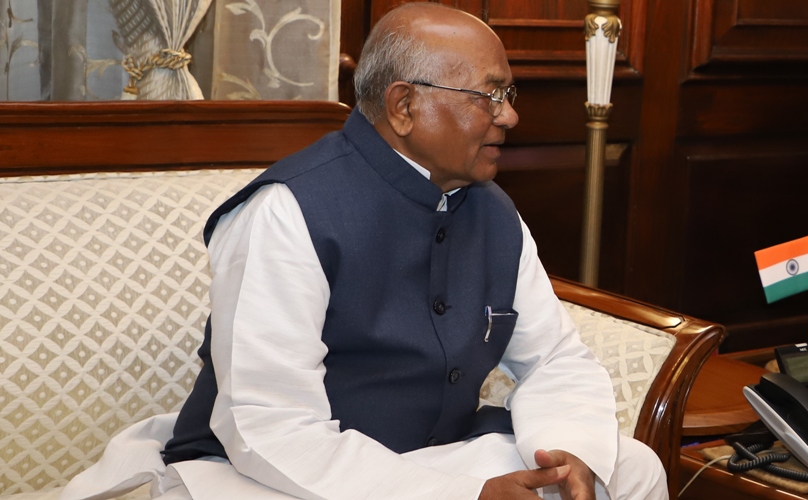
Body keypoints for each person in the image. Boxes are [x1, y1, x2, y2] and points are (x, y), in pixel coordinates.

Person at [59, 4, 667, 499]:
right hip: (279, 471)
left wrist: (567, 454)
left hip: (435, 454)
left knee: (630, 469)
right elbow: (268, 426)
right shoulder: (287, 210)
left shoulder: (492, 209)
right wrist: (460, 495)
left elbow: (554, 359)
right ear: (405, 106)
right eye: (489, 95)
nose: (510, 115)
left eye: (507, 93)